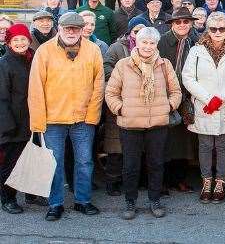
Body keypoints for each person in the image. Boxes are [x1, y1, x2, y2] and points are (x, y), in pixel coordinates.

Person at [28, 12, 104, 221]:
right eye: (67, 28)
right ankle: (55, 203)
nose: (71, 32)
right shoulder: (44, 51)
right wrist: (37, 122)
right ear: (59, 28)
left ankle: (83, 200)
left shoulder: (93, 50)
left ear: (81, 30)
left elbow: (99, 86)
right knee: (55, 163)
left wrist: (92, 116)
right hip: (53, 120)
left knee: (84, 162)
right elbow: (35, 88)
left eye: (75, 29)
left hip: (83, 119)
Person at [105, 26, 181, 220]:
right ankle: (130, 202)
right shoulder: (123, 65)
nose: (148, 46)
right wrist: (121, 109)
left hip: (157, 124)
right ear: (136, 43)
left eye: (152, 43)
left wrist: (168, 107)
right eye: (144, 42)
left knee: (156, 164)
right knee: (131, 165)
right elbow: (111, 93)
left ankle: (155, 200)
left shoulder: (164, 65)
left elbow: (176, 92)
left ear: (156, 44)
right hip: (130, 125)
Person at [182, 11, 225, 204]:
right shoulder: (196, 50)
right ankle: (206, 181)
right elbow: (188, 77)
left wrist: (220, 98)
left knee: (223, 145)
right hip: (204, 105)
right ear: (208, 30)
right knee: (205, 145)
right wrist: (207, 98)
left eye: (222, 28)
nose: (218, 32)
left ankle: (220, 182)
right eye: (213, 28)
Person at [157, 7, 199, 193]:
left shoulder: (196, 41)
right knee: (164, 140)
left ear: (190, 23)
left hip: (189, 95)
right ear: (172, 24)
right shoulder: (162, 41)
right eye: (178, 22)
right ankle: (163, 181)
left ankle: (180, 178)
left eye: (185, 22)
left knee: (184, 141)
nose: (182, 25)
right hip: (166, 94)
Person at [103, 19, 145, 197]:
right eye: (136, 31)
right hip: (120, 101)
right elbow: (106, 67)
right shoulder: (117, 48)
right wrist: (124, 78)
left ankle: (137, 181)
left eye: (143, 31)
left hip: (141, 104)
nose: (138, 34)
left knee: (137, 146)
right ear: (130, 32)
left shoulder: (149, 48)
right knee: (116, 146)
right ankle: (112, 181)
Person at [0, 24, 35, 214]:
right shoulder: (4, 63)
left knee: (28, 161)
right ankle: (7, 198)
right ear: (9, 42)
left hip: (32, 121)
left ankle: (30, 194)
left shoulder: (32, 59)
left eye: (23, 39)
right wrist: (8, 126)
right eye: (16, 40)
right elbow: (2, 98)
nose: (20, 43)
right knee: (11, 164)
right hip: (13, 124)